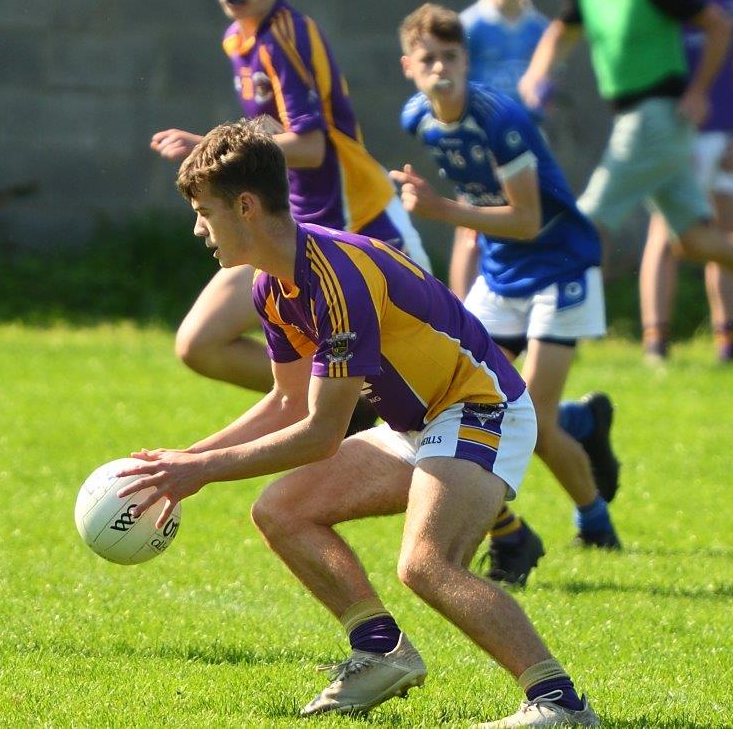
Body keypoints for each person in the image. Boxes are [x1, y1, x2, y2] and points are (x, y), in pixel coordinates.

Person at [118, 121, 599, 727]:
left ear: (245, 206)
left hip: (480, 405)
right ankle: (379, 652)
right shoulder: (273, 288)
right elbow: (287, 402)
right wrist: (182, 462)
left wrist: (204, 470)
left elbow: (321, 432)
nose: (198, 229)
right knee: (281, 510)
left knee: (426, 564)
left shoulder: (336, 278)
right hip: (416, 422)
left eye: (204, 212)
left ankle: (560, 702)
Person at [150, 0, 428, 398]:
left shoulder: (285, 35)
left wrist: (209, 148)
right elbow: (275, 135)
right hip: (292, 229)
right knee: (199, 343)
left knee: (432, 381)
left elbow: (310, 146)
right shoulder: (240, 39)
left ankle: (567, 423)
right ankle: (345, 406)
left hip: (359, 221)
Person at [396, 4, 621, 590]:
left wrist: (439, 210)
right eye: (428, 59)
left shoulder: (500, 118)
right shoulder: (417, 118)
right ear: (408, 67)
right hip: (500, 276)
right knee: (449, 402)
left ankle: (595, 522)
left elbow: (525, 220)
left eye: (451, 57)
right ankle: (580, 429)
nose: (441, 68)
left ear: (467, 62)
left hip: (560, 266)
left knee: (536, 421)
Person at [520, 0, 733, 297]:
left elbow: (719, 25)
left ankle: (546, 322)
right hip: (648, 124)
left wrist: (699, 90)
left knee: (585, 221)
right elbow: (561, 33)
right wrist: (535, 75)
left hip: (654, 118)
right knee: (696, 241)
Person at [638, 0, 733, 363]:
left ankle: (729, 339)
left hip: (728, 135)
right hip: (676, 135)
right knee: (668, 233)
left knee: (726, 233)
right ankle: (656, 342)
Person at [450, 0, 550, 301]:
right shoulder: (468, 26)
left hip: (523, 147)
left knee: (525, 226)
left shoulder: (541, 29)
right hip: (479, 144)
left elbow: (543, 89)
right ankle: (460, 319)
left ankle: (513, 310)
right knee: (472, 230)